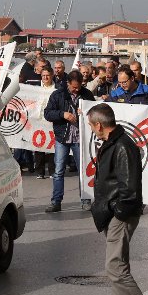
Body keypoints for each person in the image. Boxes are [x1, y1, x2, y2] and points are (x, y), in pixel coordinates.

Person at [86, 103, 148, 295]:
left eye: (90, 125)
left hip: (121, 212)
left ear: (98, 124)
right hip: (113, 211)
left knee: (114, 266)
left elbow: (129, 186)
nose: (91, 129)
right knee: (118, 265)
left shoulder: (123, 146)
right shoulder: (113, 143)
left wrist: (118, 211)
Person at [43, 70, 95, 212]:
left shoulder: (87, 95)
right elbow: (47, 113)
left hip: (80, 138)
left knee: (83, 171)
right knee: (59, 171)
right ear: (68, 83)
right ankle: (56, 202)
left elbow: (95, 113)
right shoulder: (57, 95)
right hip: (62, 138)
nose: (76, 90)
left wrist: (85, 114)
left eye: (78, 87)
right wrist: (62, 114)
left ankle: (86, 200)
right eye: (74, 87)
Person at [33, 68, 56, 179]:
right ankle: (40, 171)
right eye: (43, 76)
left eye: (47, 75)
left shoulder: (56, 89)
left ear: (52, 76)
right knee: (38, 146)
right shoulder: (35, 88)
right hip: (38, 120)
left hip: (51, 120)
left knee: (51, 147)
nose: (45, 78)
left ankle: (52, 171)